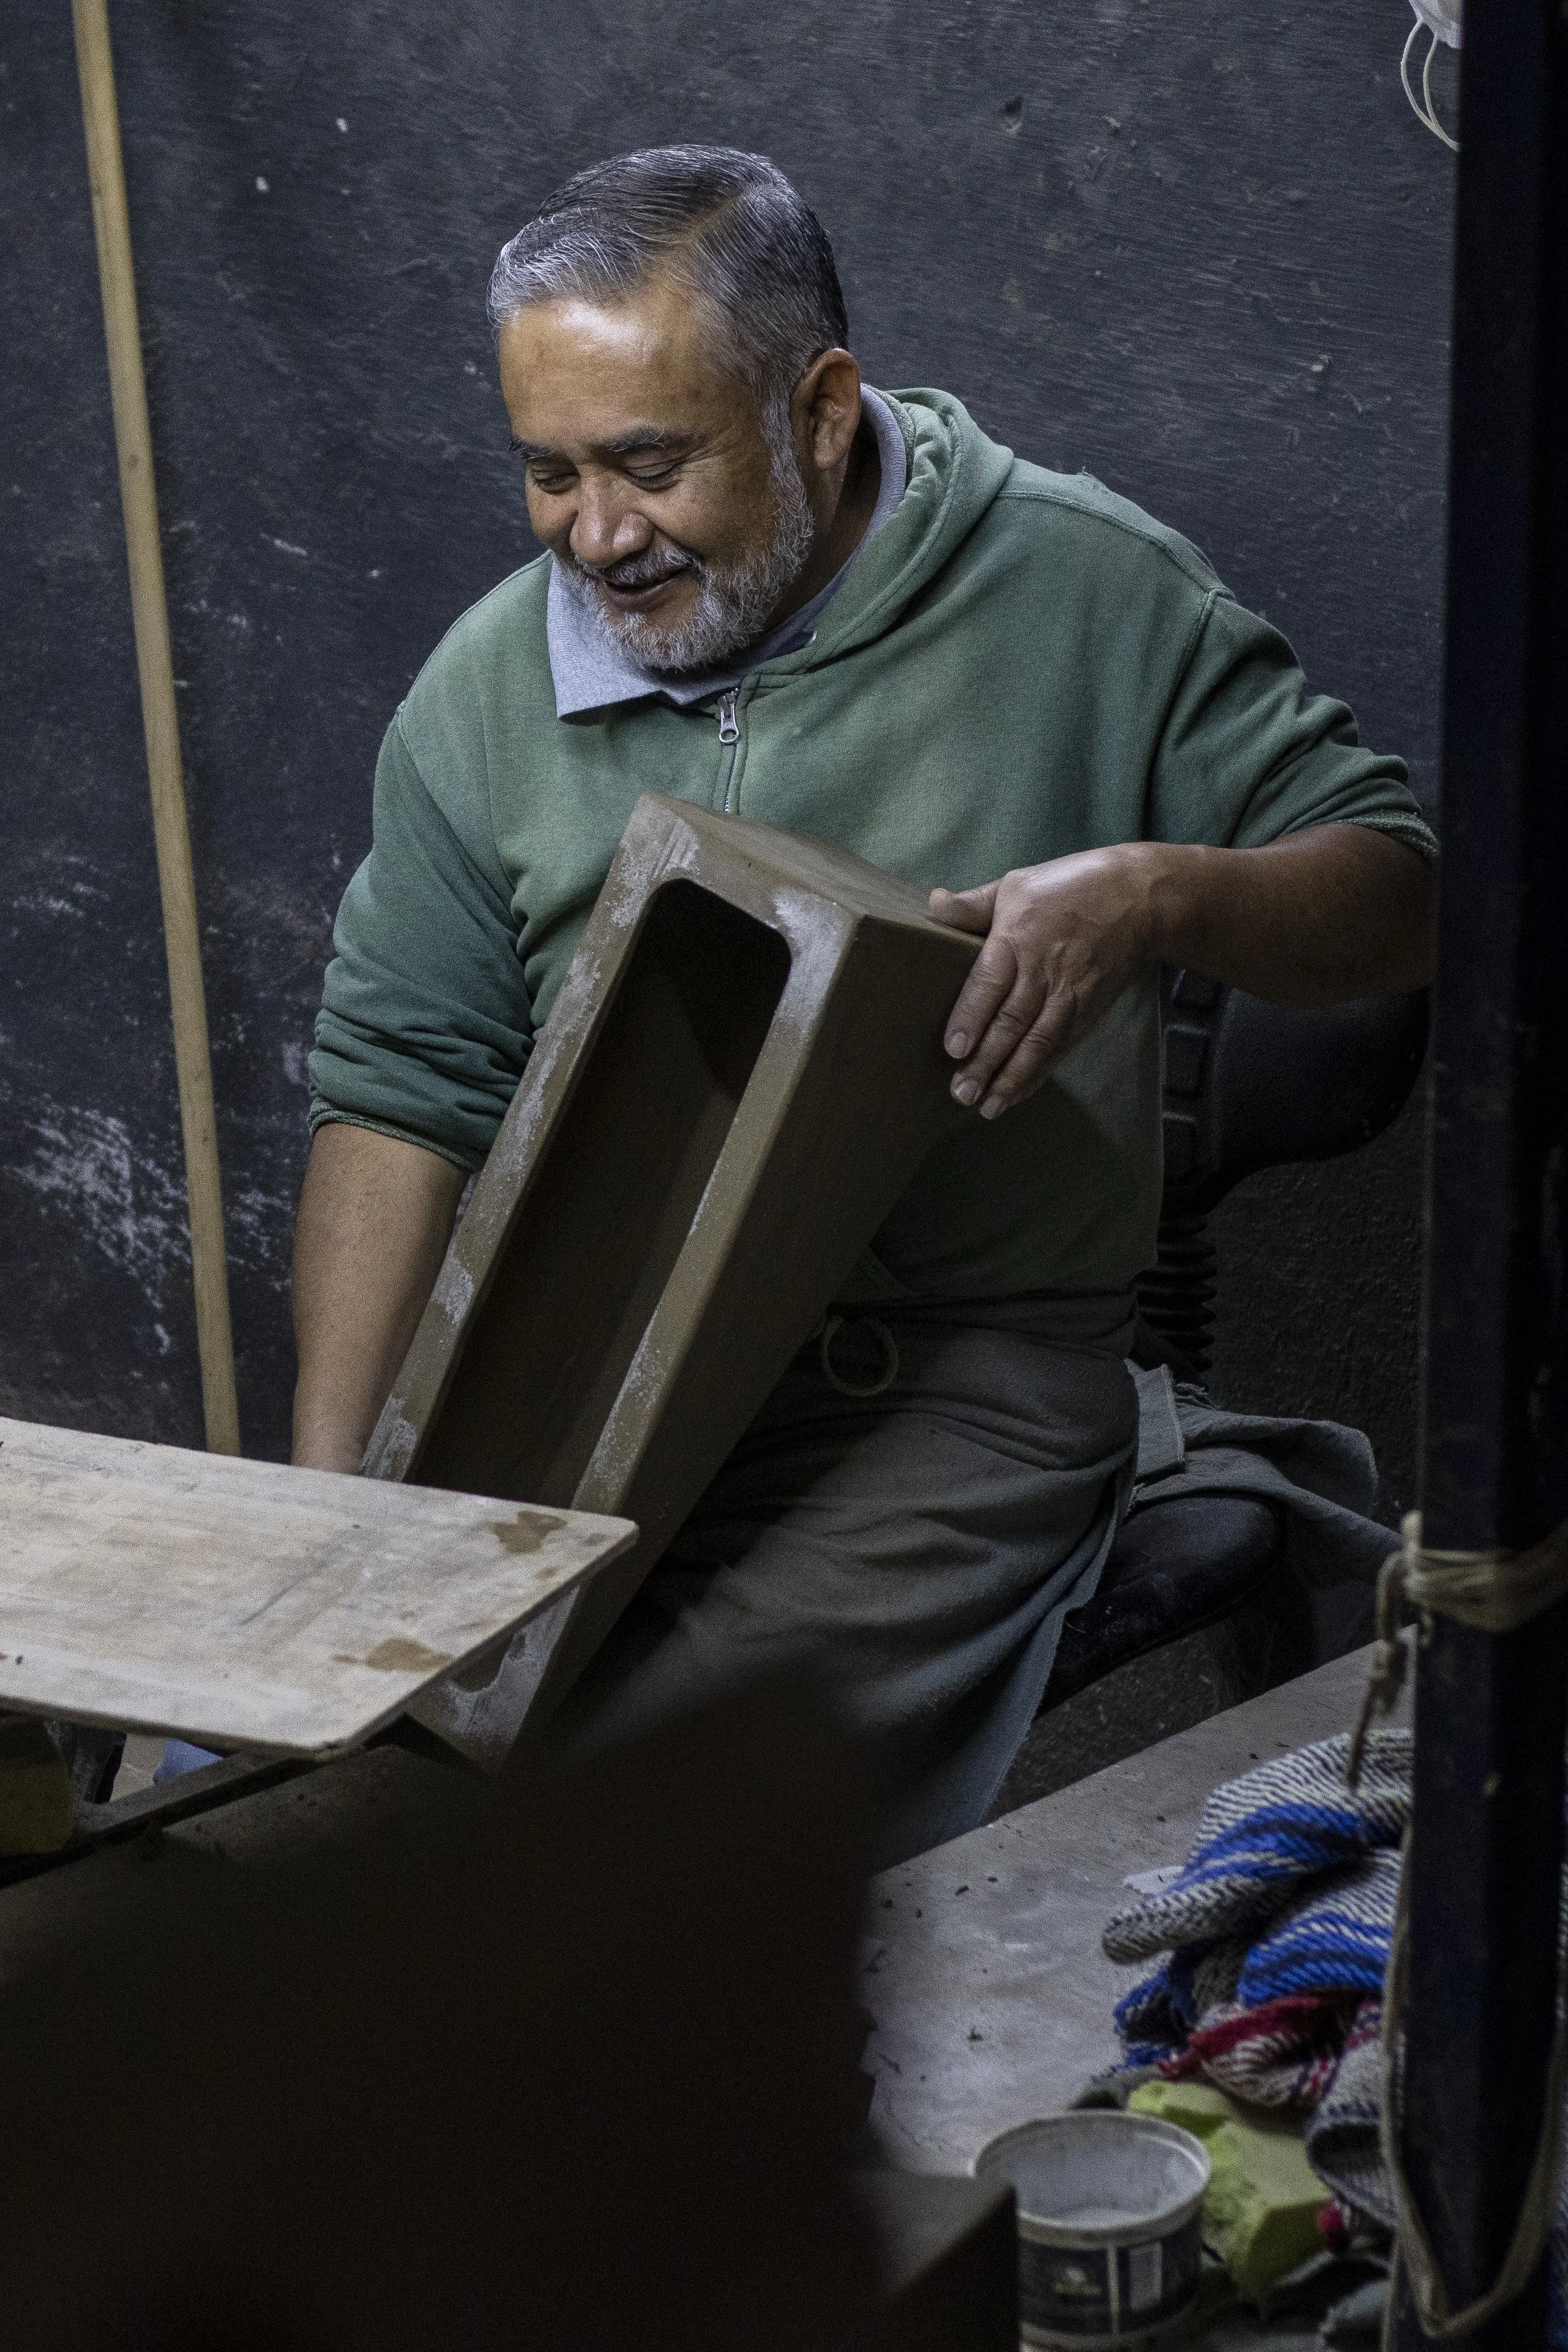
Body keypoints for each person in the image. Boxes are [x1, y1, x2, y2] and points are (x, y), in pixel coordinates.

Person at [292, 144, 1436, 1860]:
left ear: (818, 410)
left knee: (613, 1830)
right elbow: (398, 1089)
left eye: (646, 464)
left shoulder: (1078, 589)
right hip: (603, 1371)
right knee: (313, 1798)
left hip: (957, 1383)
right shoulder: (482, 690)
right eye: (546, 475)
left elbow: (1403, 890)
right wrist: (335, 1540)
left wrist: (1153, 894)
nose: (595, 536)